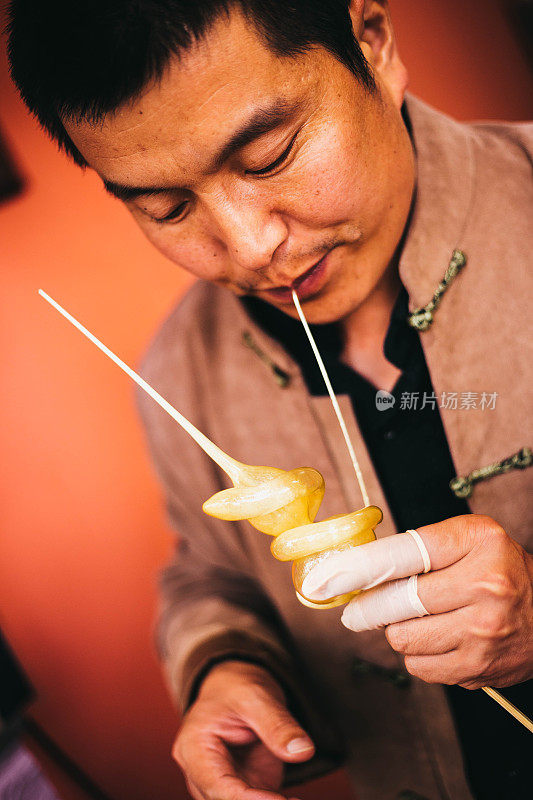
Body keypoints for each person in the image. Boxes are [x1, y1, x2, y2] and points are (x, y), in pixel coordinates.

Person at [7, 2, 533, 798]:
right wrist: (228, 667)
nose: (251, 248)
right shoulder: (180, 374)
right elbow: (210, 575)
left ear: (373, 45)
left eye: (268, 156)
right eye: (166, 208)